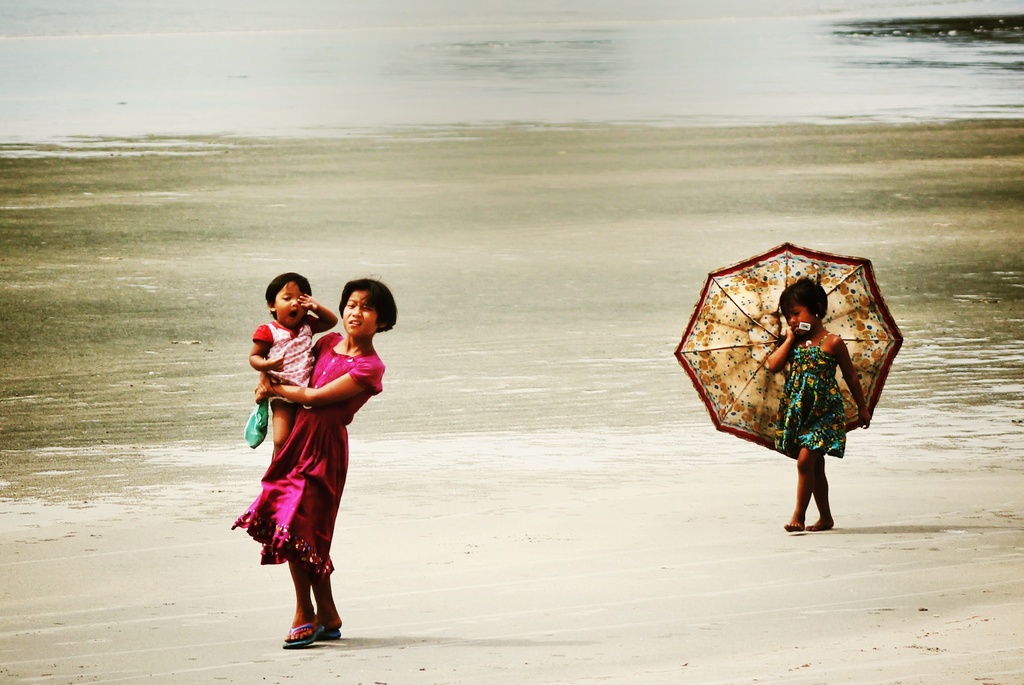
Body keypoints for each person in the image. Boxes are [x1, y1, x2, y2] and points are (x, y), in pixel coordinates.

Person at [233, 277, 397, 649]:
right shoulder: (323, 342)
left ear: (382, 322)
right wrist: (265, 378)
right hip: (296, 440)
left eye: (367, 308)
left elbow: (315, 397)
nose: (356, 313)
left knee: (306, 528)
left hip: (325, 449)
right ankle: (327, 614)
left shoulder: (371, 367)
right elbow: (287, 366)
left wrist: (275, 389)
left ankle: (304, 612)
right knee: (295, 525)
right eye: (352, 305)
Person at [765, 278, 870, 533]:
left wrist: (862, 407)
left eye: (795, 313)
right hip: (801, 411)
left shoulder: (832, 342)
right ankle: (825, 518)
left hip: (825, 413)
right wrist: (789, 339)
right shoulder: (793, 344)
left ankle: (798, 516)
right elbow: (772, 365)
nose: (790, 320)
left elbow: (851, 376)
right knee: (816, 467)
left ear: (816, 309)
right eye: (787, 316)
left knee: (804, 463)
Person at [249, 273, 338, 455]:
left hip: (305, 390)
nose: (294, 303)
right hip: (281, 392)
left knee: (302, 439)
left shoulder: (307, 326)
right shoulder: (269, 331)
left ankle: (292, 474)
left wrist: (316, 307)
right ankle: (276, 474)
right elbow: (254, 358)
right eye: (287, 298)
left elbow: (332, 321)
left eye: (300, 300)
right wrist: (268, 366)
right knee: (281, 439)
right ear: (272, 305)